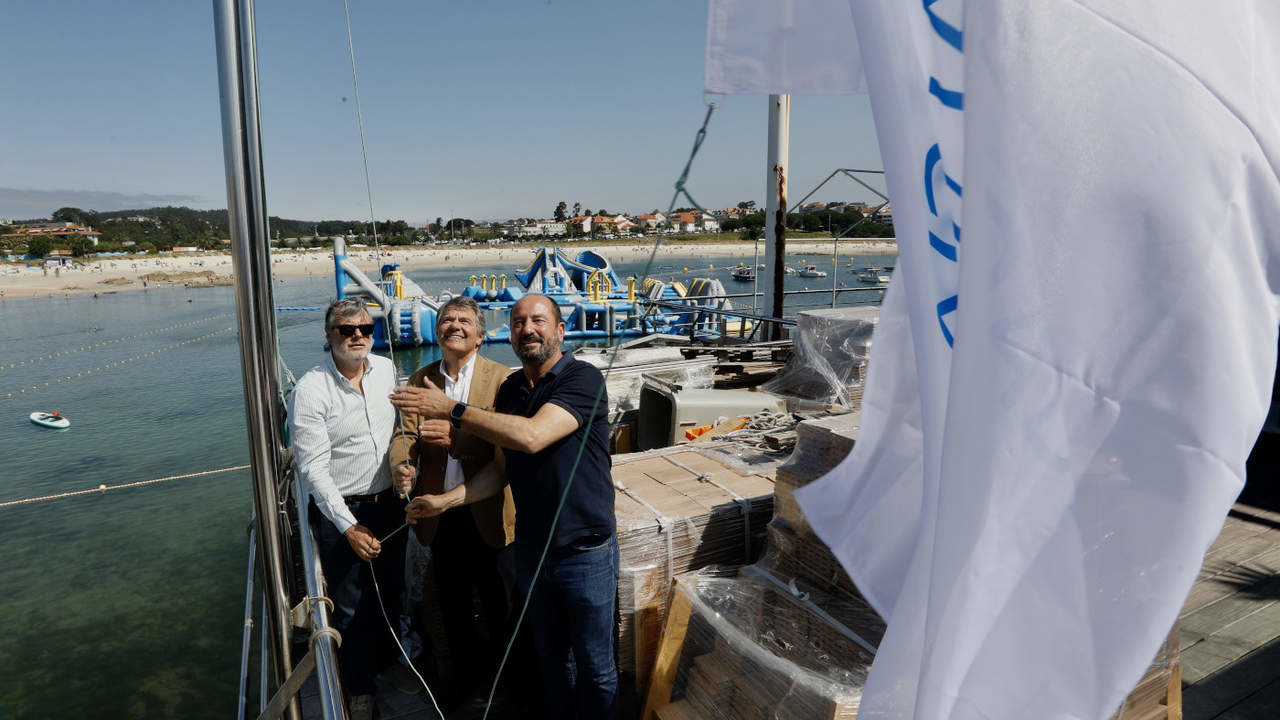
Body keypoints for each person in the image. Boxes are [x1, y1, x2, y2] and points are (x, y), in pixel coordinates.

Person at [391, 293, 617, 720]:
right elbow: (500, 469)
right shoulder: (513, 389)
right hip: (533, 549)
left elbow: (532, 436)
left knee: (596, 665)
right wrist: (444, 501)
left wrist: (453, 411)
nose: (527, 329)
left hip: (583, 549)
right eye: (517, 322)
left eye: (538, 321)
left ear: (561, 330)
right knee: (552, 658)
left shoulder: (583, 378)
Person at [387, 296, 516, 705]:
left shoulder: (502, 381)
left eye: (463, 321)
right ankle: (462, 682)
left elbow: (507, 442)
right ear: (436, 331)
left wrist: (457, 440)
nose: (454, 325)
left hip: (489, 511)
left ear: (480, 336)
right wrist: (401, 468)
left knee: (499, 600)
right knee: (453, 602)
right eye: (446, 320)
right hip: (440, 514)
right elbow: (403, 437)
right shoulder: (419, 379)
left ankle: (505, 682)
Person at [287, 297, 411, 720]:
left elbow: (398, 431)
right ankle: (358, 688)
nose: (358, 335)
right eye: (346, 329)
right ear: (329, 336)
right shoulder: (311, 390)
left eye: (365, 328)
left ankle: (387, 663)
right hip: (343, 512)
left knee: (392, 589)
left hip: (389, 504)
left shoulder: (387, 371)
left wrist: (405, 465)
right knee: (351, 603)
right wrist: (348, 526)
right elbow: (315, 471)